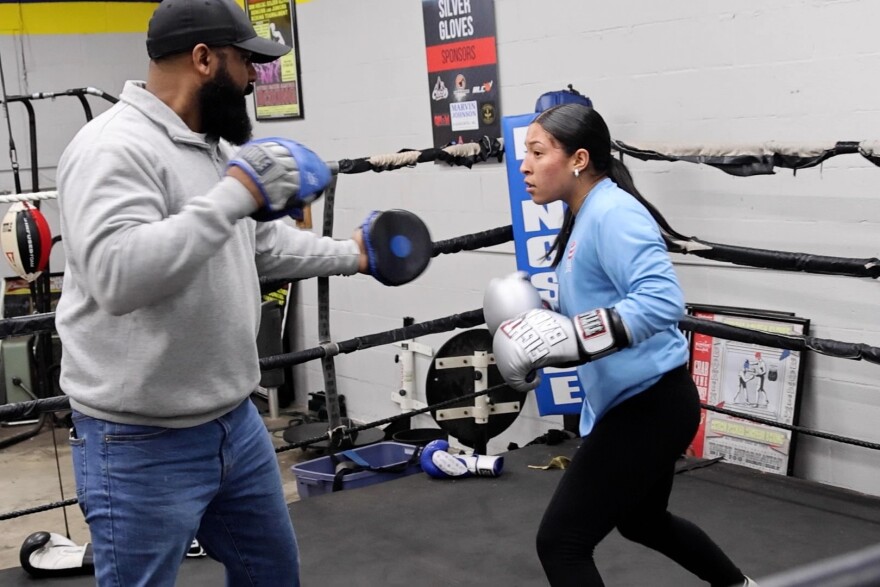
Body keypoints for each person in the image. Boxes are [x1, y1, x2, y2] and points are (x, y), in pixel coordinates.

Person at [53, 0, 374, 584]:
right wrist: (234, 195)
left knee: (272, 575)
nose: (256, 78)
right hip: (138, 442)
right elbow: (117, 277)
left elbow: (262, 246)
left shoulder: (214, 150)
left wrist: (356, 254)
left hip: (235, 422)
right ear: (203, 59)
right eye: (247, 62)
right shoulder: (111, 149)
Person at [484, 103, 757, 586]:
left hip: (648, 406)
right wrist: (539, 324)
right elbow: (603, 309)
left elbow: (663, 301)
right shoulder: (586, 215)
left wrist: (575, 334)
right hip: (640, 403)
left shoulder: (613, 213)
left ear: (578, 159)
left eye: (536, 152)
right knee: (643, 521)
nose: (523, 165)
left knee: (561, 544)